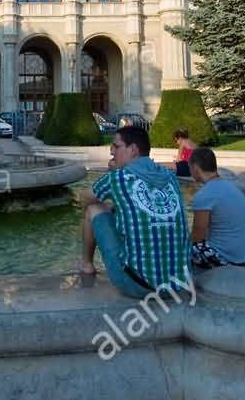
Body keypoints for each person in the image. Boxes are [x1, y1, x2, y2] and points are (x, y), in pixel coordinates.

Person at [77, 126, 190, 298]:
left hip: (139, 286)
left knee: (93, 208)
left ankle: (86, 265)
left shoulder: (119, 178)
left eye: (116, 146)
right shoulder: (170, 177)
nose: (111, 151)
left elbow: (84, 198)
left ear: (133, 149)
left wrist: (111, 176)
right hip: (177, 285)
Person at [188, 147, 245, 268]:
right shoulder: (231, 187)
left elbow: (197, 237)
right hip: (242, 255)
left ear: (195, 168)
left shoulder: (204, 195)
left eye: (190, 167)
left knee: (177, 249)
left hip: (225, 258)